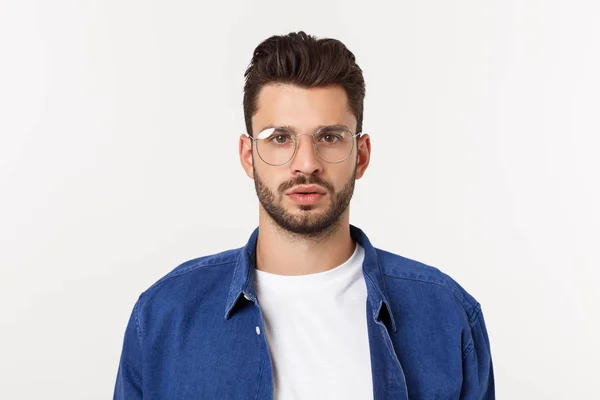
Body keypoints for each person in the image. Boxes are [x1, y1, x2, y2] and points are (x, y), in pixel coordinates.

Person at [113, 31, 494, 400]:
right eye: (280, 138)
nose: (306, 164)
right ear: (248, 156)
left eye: (329, 137)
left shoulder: (445, 315)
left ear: (361, 155)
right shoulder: (167, 314)